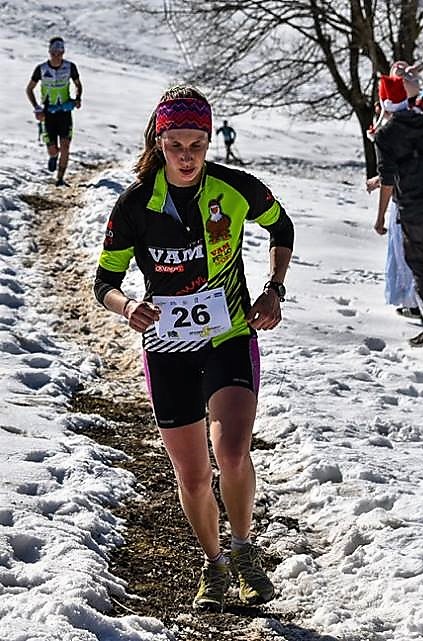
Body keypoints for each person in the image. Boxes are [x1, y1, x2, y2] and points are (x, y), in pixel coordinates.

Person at [93, 85, 294, 612]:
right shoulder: (135, 205)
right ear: (160, 144)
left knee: (230, 452)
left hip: (228, 339)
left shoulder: (235, 189)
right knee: (192, 474)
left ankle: (245, 551)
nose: (187, 156)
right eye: (177, 145)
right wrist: (127, 306)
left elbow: (282, 226)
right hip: (166, 346)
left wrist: (274, 289)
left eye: (197, 145)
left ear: (209, 142)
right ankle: (214, 564)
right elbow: (104, 282)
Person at [374, 63, 423, 346]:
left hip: (413, 209)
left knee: (419, 265)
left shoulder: (387, 135)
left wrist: (380, 217)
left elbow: (388, 180)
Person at [26, 36, 82, 186]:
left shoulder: (70, 67)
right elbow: (29, 89)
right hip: (47, 114)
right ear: (49, 52)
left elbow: (78, 84)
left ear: (63, 52)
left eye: (60, 51)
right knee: (53, 150)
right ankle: (53, 156)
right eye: (54, 51)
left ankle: (60, 178)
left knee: (65, 146)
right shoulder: (41, 69)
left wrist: (78, 98)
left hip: (64, 112)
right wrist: (37, 108)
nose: (57, 54)